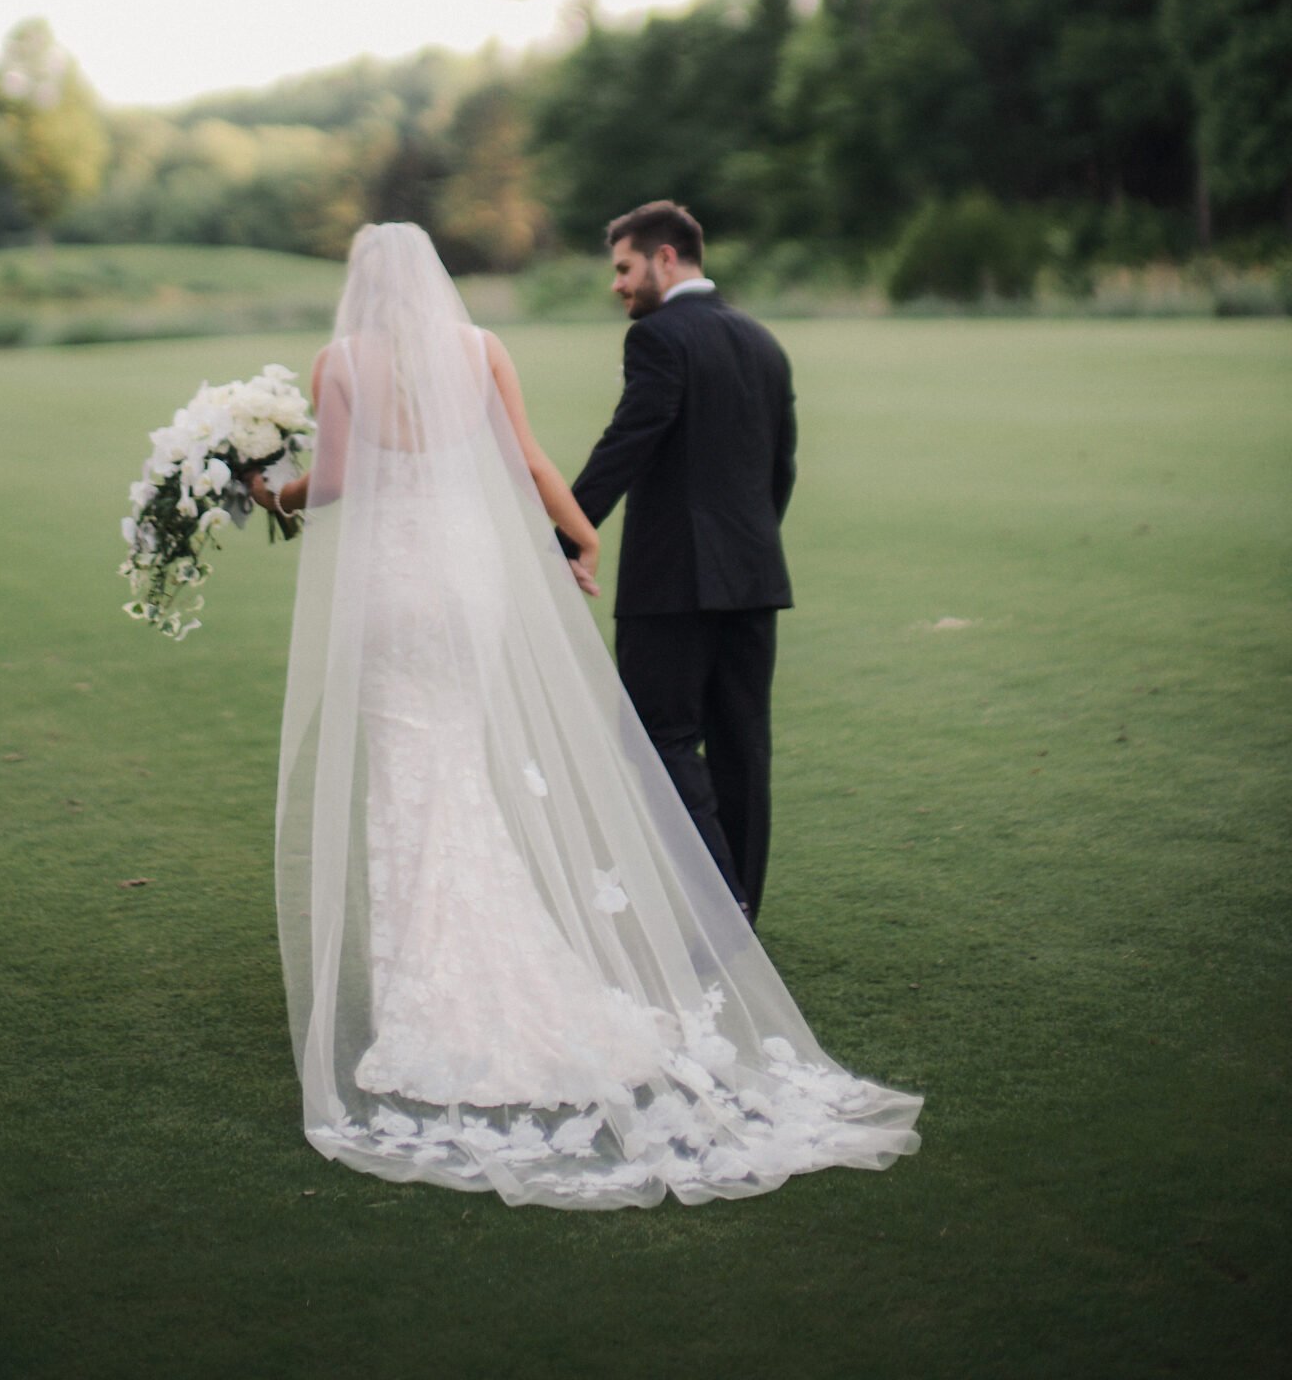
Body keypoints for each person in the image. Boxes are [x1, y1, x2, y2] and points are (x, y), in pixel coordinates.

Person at [245, 220, 919, 1209]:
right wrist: (577, 537)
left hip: (393, 582)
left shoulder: (339, 360)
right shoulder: (481, 350)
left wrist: (270, 494)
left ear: (361, 285)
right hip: (468, 581)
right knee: (459, 761)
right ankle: (498, 955)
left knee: (407, 767)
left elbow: (339, 481)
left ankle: (424, 979)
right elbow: (527, 460)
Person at [570, 201, 795, 925]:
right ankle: (741, 917)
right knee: (741, 744)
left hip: (672, 584)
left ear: (667, 259)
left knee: (656, 738)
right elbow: (780, 469)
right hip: (755, 578)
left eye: (625, 268)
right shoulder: (763, 341)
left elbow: (628, 442)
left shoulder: (659, 338)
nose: (618, 285)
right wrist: (747, 547)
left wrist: (567, 532)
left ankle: (715, 899)